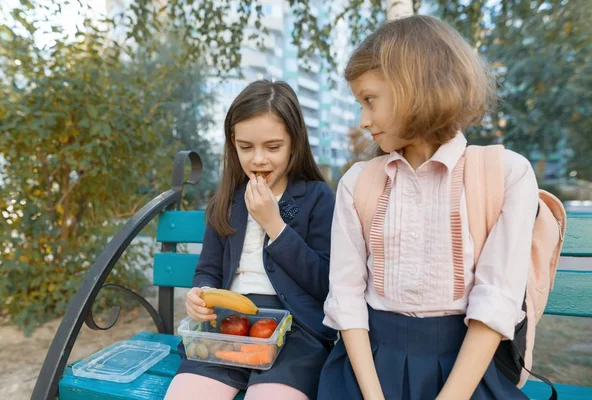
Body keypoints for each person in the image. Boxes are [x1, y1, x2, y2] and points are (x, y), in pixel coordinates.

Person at [318, 15, 537, 400]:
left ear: (412, 87)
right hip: (367, 365)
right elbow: (346, 296)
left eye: (369, 100)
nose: (363, 120)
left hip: (466, 371)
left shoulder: (506, 174)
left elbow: (495, 302)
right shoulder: (358, 182)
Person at [165, 80, 336, 400]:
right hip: (227, 328)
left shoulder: (316, 197)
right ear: (233, 144)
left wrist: (276, 225)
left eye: (272, 147)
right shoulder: (228, 200)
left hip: (295, 336)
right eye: (246, 147)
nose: (258, 159)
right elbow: (209, 270)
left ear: (294, 143)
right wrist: (199, 292)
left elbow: (325, 284)